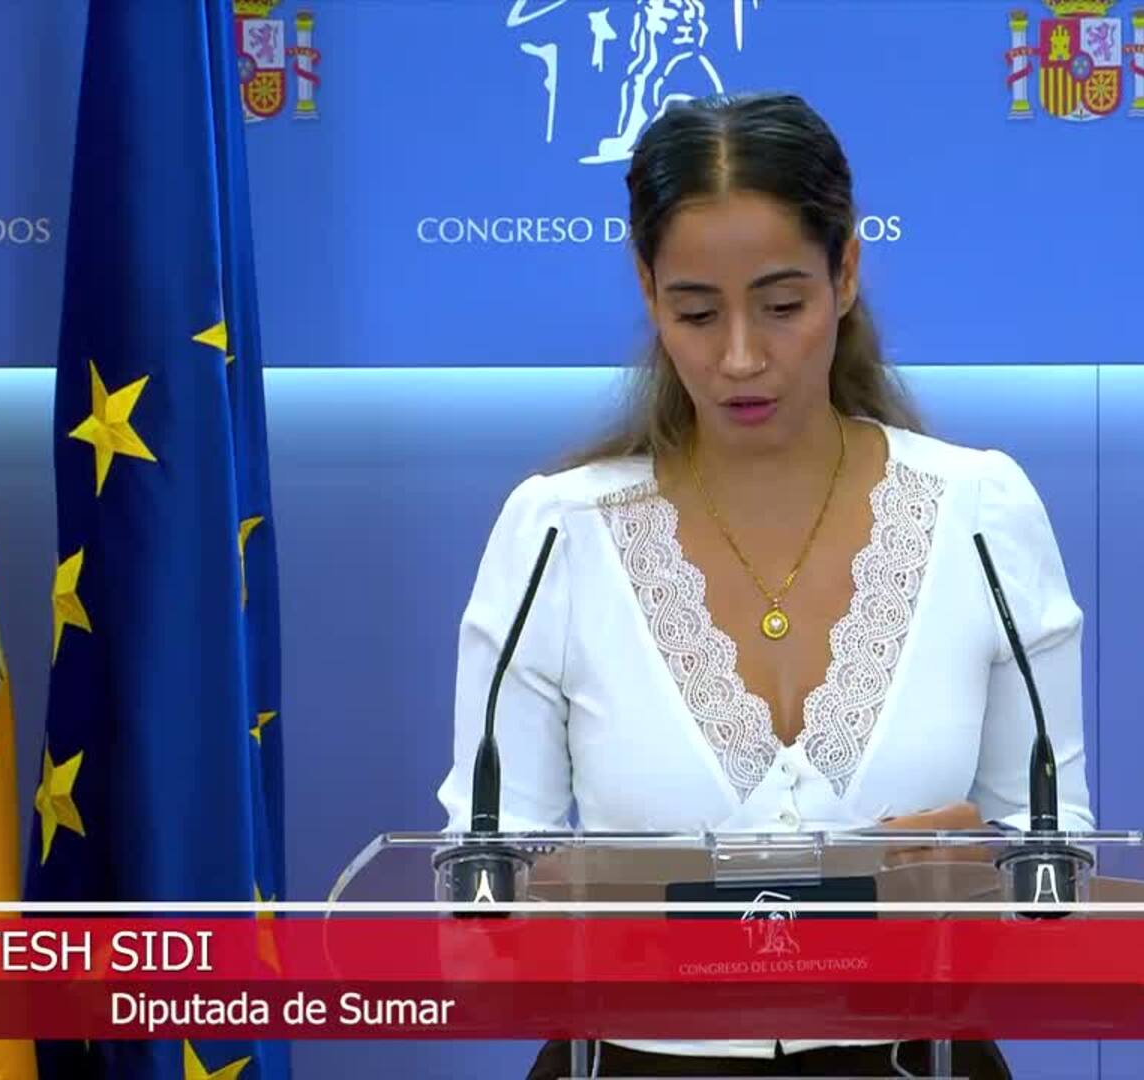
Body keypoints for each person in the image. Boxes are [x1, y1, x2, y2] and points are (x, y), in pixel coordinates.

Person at [436, 91, 1094, 1078]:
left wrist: (989, 878)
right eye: (696, 313)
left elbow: (1062, 868)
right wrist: (562, 907)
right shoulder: (554, 536)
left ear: (847, 273)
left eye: (783, 307)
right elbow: (474, 907)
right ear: (647, 289)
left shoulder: (983, 514)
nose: (741, 357)